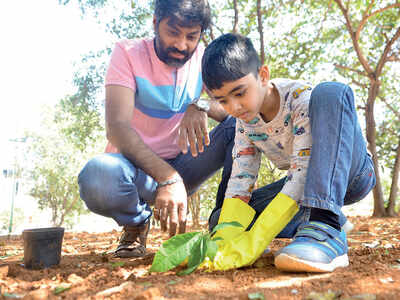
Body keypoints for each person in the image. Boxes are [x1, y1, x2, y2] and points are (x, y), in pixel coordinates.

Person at [201, 33, 376, 273]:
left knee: (329, 92)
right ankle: (323, 215)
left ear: (263, 76)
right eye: (223, 101)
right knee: (220, 219)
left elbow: (303, 174)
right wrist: (227, 235)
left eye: (240, 93)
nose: (234, 107)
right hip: (307, 184)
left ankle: (326, 225)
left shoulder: (298, 100)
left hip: (352, 173)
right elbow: (241, 179)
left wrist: (258, 236)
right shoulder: (244, 121)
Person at [78, 0, 235, 258]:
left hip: (188, 165)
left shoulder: (204, 58)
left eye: (191, 36)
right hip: (138, 172)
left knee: (238, 125)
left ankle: (226, 222)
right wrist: (167, 178)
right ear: (155, 24)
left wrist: (201, 104)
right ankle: (136, 222)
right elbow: (116, 127)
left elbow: (234, 107)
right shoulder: (127, 53)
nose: (182, 45)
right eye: (173, 32)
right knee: (98, 175)